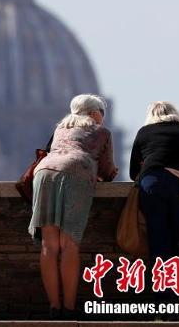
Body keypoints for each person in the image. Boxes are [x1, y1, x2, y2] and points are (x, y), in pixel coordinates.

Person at [28, 94, 118, 319]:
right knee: (69, 245)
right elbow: (108, 171)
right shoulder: (101, 131)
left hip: (44, 174)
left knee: (49, 246)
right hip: (76, 175)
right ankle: (68, 308)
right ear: (95, 113)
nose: (103, 118)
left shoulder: (61, 127)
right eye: (102, 114)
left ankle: (54, 306)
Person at [130, 101, 179, 302]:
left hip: (154, 183)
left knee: (158, 239)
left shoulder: (144, 132)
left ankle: (164, 299)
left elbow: (134, 171)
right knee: (173, 240)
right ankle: (174, 296)